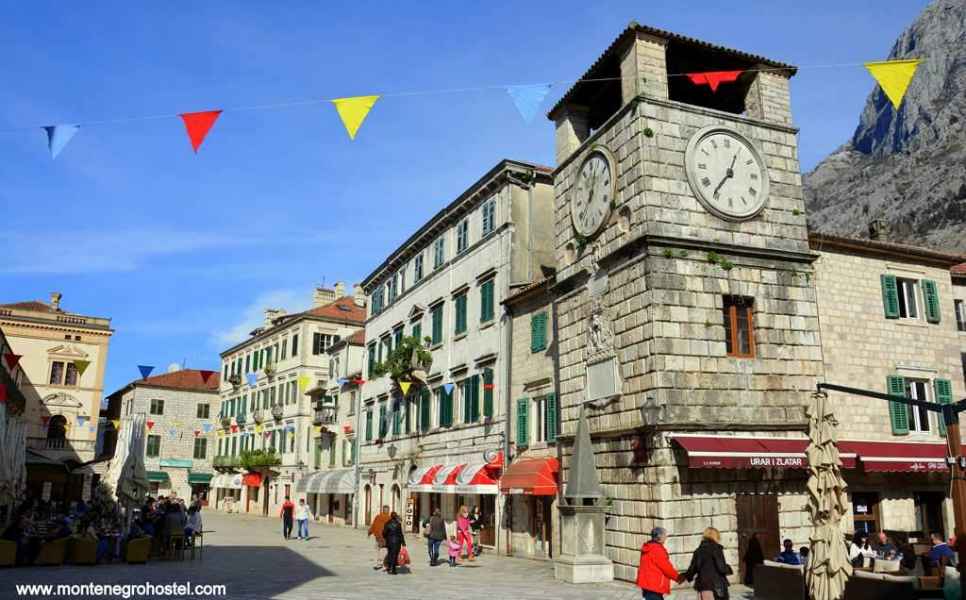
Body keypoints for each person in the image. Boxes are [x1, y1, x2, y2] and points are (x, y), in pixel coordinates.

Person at [683, 527, 733, 600]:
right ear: (716, 536)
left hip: (703, 585)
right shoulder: (716, 549)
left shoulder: (698, 550)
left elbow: (693, 568)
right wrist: (728, 568)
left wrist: (686, 576)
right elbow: (722, 568)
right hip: (716, 586)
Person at [637, 527, 680, 600]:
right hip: (654, 585)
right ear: (660, 537)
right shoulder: (657, 549)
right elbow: (666, 568)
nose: (666, 537)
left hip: (647, 583)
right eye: (665, 535)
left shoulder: (648, 546)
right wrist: (678, 577)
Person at [368, 505, 391, 570]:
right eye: (387, 510)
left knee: (380, 550)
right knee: (384, 551)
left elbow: (373, 525)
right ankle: (384, 564)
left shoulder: (379, 517)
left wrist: (370, 532)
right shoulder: (389, 518)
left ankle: (380, 564)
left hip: (380, 537)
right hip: (385, 538)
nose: (387, 511)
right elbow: (374, 525)